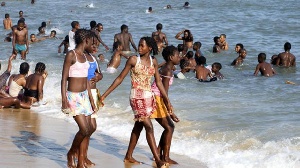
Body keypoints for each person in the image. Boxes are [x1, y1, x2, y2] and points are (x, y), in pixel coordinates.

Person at [100, 37, 171, 168]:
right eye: (139, 45)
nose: (139, 48)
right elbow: (120, 78)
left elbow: (159, 82)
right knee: (149, 127)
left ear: (150, 48)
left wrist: (166, 100)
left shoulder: (153, 61)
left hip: (149, 97)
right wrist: (104, 95)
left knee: (138, 126)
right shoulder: (133, 60)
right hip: (136, 97)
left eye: (142, 46)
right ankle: (158, 160)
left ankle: (128, 155)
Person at [61, 29, 97, 168]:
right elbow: (64, 79)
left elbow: (87, 80)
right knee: (84, 129)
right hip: (73, 96)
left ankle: (81, 162)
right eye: (91, 42)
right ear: (86, 40)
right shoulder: (72, 55)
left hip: (84, 96)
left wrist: (92, 99)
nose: (93, 45)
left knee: (88, 129)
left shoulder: (85, 56)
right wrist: (64, 99)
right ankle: (71, 153)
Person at [150, 45, 180, 164]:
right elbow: (164, 92)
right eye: (177, 56)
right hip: (157, 98)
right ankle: (165, 157)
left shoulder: (167, 67)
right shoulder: (167, 70)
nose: (180, 57)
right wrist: (170, 111)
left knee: (169, 127)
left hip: (156, 97)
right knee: (169, 127)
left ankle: (158, 152)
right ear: (171, 57)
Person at [83, 32, 103, 167]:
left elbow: (100, 73)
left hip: (94, 93)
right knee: (88, 127)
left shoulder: (94, 59)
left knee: (92, 127)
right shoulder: (82, 58)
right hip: (85, 94)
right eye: (93, 44)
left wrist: (98, 77)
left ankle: (83, 154)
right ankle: (81, 155)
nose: (95, 46)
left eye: (96, 44)